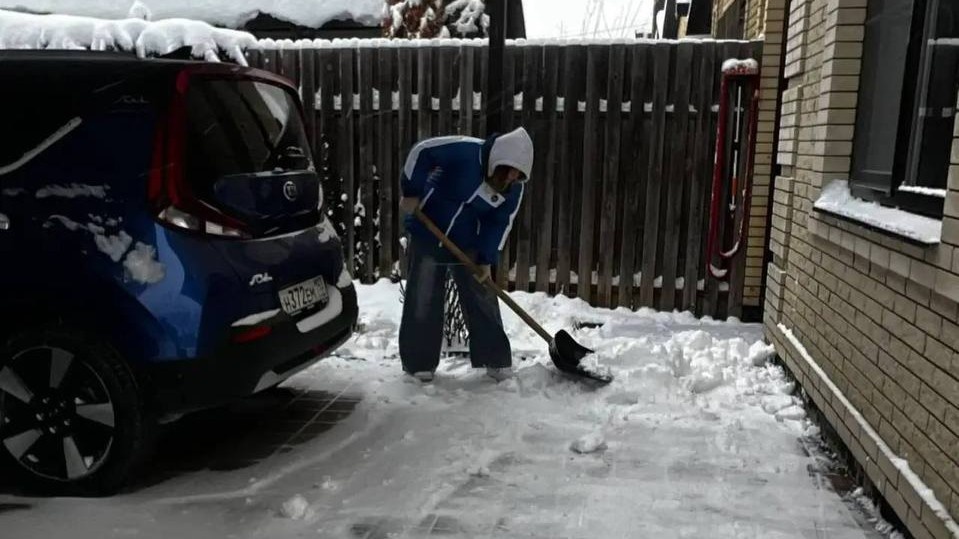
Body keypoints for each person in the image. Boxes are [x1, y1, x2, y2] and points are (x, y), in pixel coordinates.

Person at [398, 127, 534, 383]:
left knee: (483, 295)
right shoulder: (465, 151)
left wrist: (485, 259)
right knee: (424, 295)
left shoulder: (512, 188)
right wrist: (412, 191)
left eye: (518, 175)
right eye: (507, 171)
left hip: (468, 241)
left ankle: (494, 359)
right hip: (429, 231)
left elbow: (499, 222)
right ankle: (418, 364)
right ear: (497, 161)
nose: (511, 179)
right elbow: (422, 152)